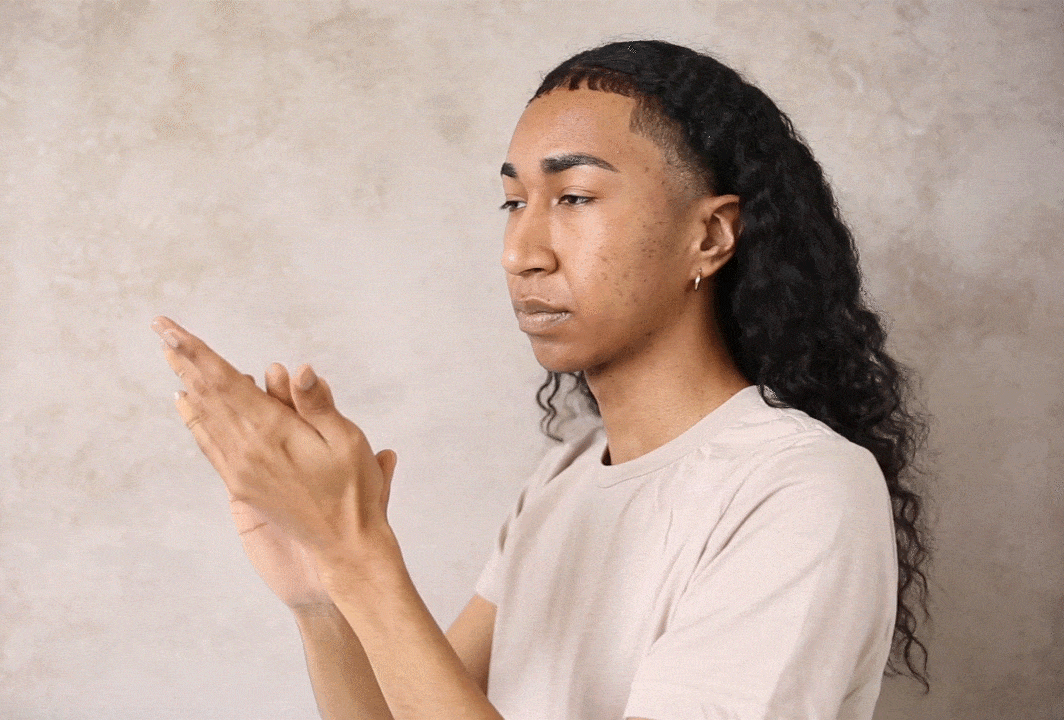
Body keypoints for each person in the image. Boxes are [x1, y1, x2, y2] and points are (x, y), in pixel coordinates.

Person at [152, 39, 929, 720]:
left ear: (711, 234)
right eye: (514, 201)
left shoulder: (801, 489)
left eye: (575, 197)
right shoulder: (563, 480)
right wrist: (323, 594)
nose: (520, 250)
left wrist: (361, 553)